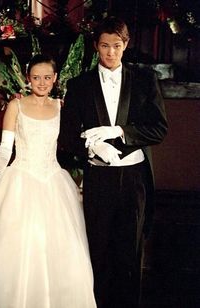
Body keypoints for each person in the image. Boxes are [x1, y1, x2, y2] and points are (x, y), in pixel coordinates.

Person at [0, 54, 97, 308]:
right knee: (15, 250)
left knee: (58, 250)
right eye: (36, 77)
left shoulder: (61, 106)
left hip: (54, 182)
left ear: (56, 79)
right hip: (20, 181)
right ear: (28, 78)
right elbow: (4, 150)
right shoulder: (16, 106)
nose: (42, 82)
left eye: (47, 77)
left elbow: (72, 143)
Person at [59, 16, 168, 308]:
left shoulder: (145, 79)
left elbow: (159, 128)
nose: (110, 53)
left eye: (116, 46)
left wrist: (119, 131)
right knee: (99, 252)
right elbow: (67, 137)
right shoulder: (80, 85)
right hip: (99, 179)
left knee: (130, 255)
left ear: (126, 45)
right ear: (96, 46)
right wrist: (91, 148)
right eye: (105, 46)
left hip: (133, 179)